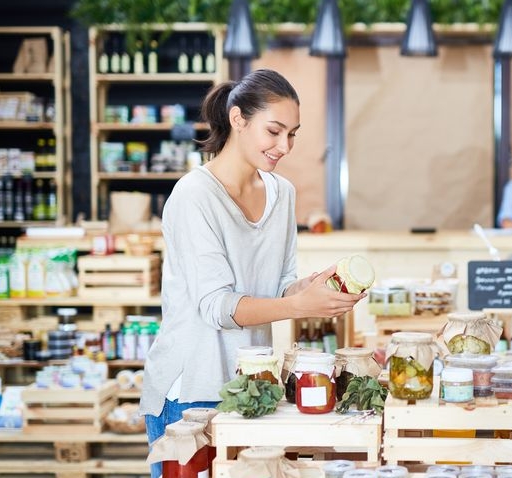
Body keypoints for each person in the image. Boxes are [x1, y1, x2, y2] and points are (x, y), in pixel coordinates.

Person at [139, 69, 366, 478]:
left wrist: (314, 289)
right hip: (191, 391)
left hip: (251, 389)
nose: (285, 146)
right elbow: (217, 307)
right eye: (274, 131)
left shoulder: (282, 194)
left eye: (293, 134)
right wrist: (298, 304)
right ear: (239, 119)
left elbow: (278, 286)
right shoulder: (193, 197)